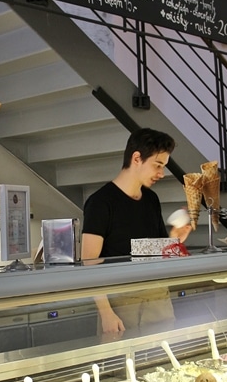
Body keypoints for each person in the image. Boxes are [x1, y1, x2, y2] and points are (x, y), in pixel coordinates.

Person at [81, 128, 192, 337]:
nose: (161, 173)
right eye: (157, 165)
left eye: (164, 167)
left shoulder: (151, 200)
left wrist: (175, 239)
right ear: (137, 158)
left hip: (159, 300)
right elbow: (88, 262)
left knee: (163, 368)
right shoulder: (101, 203)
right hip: (122, 306)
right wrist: (106, 313)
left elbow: (151, 253)